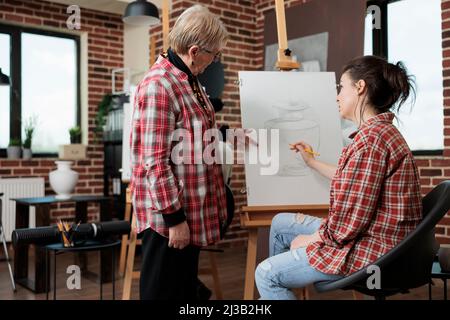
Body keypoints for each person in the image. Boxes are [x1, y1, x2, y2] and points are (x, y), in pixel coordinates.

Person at [255, 55, 423, 300]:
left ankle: (275, 289)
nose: (337, 95)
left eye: (341, 87)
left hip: (371, 248)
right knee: (281, 223)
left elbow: (351, 222)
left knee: (266, 273)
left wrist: (312, 239)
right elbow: (354, 182)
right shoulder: (380, 132)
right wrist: (311, 162)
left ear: (360, 87)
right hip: (371, 235)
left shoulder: (371, 142)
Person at [129, 5, 229, 300]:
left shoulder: (188, 77)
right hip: (170, 217)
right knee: (161, 293)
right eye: (215, 54)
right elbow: (155, 162)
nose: (216, 60)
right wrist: (175, 219)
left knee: (184, 292)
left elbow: (190, 131)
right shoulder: (159, 85)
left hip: (191, 209)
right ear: (196, 50)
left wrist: (226, 134)